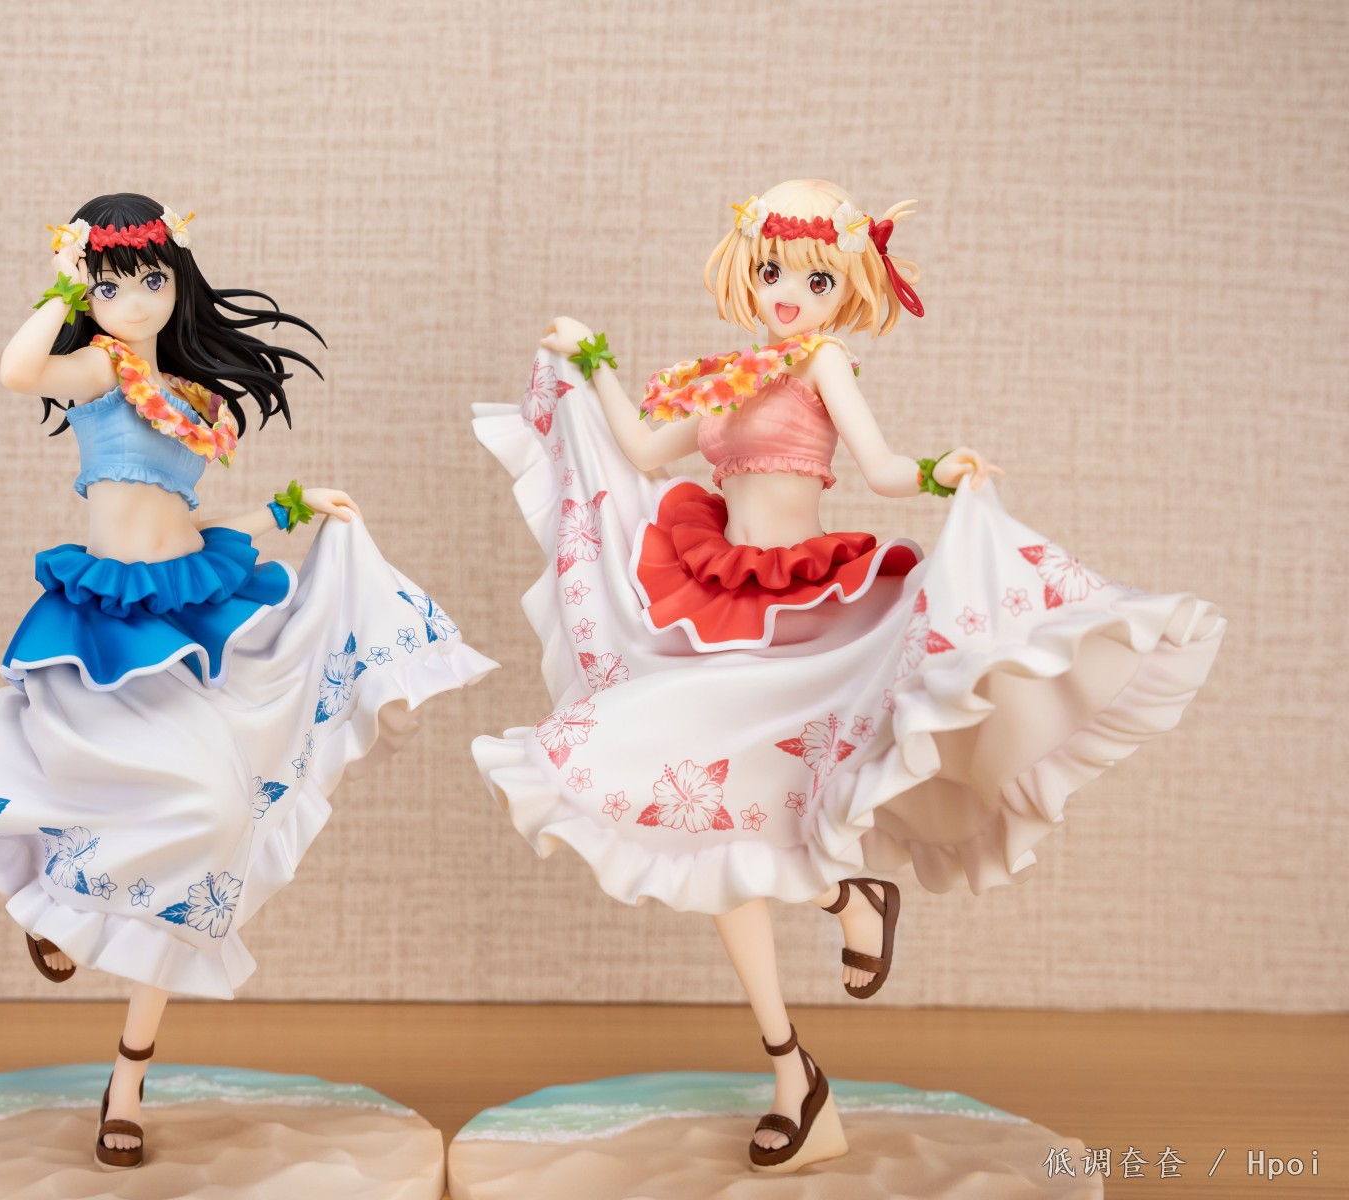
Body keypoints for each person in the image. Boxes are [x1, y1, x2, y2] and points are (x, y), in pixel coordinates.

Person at [470, 178, 1223, 1172]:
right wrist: (594, 359)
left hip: (808, 605)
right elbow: (644, 448)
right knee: (713, 827)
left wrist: (944, 470)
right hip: (717, 595)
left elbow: (880, 466)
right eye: (772, 272)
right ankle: (800, 1053)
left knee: (739, 810)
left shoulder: (821, 361)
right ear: (746, 271)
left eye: (815, 280)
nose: (788, 295)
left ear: (845, 290)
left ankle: (844, 922)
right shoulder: (723, 378)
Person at [0, 192, 495, 1169]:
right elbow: (19, 370)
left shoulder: (192, 395)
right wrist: (65, 288)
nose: (136, 299)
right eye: (113, 284)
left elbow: (197, 510)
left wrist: (293, 506)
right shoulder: (99, 368)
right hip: (106, 620)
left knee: (213, 818)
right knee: (75, 779)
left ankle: (129, 1077)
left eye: (151, 278)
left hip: (191, 603)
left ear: (178, 278)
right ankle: (61, 898)